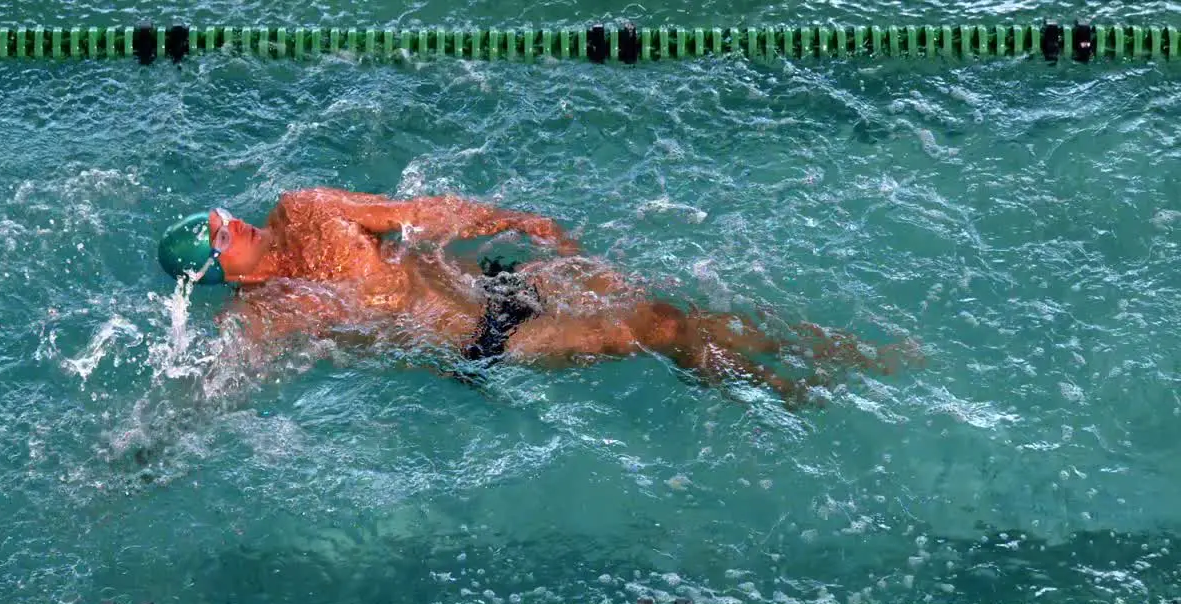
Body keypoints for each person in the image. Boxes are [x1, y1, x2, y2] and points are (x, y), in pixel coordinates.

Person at [158, 188, 916, 407]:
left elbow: (421, 213)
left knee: (671, 307)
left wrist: (512, 221)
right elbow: (218, 393)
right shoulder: (263, 314)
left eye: (223, 216)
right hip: (484, 343)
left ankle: (818, 362)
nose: (236, 223)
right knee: (657, 325)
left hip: (488, 281)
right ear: (225, 273)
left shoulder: (306, 210)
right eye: (223, 237)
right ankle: (794, 390)